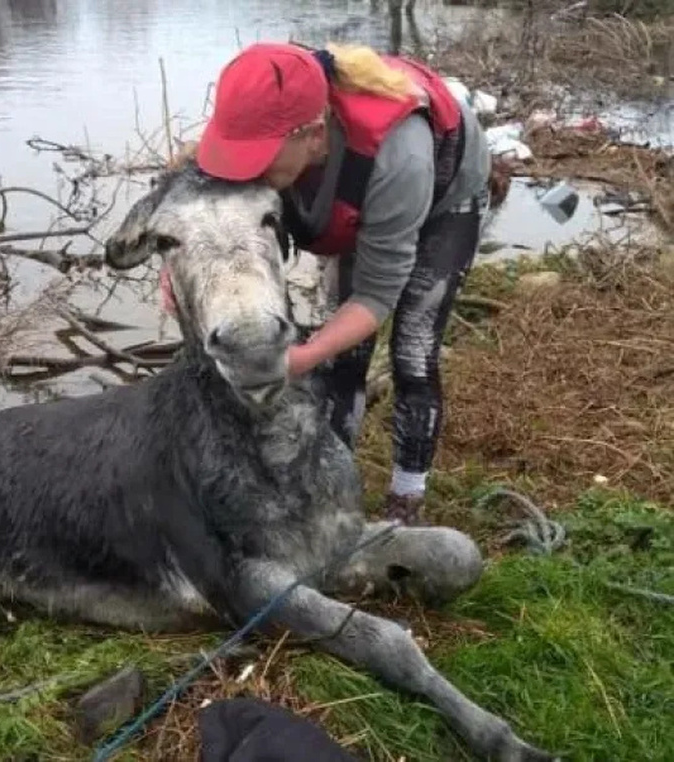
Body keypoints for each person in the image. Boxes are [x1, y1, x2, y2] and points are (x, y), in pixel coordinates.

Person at [166, 41, 507, 526]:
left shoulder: (398, 157)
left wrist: (303, 356)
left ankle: (405, 502)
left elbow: (376, 292)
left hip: (443, 198)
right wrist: (173, 272)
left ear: (312, 133)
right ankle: (330, 485)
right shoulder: (265, 119)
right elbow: (194, 210)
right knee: (344, 358)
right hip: (355, 191)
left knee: (412, 351)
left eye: (258, 157)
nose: (247, 171)